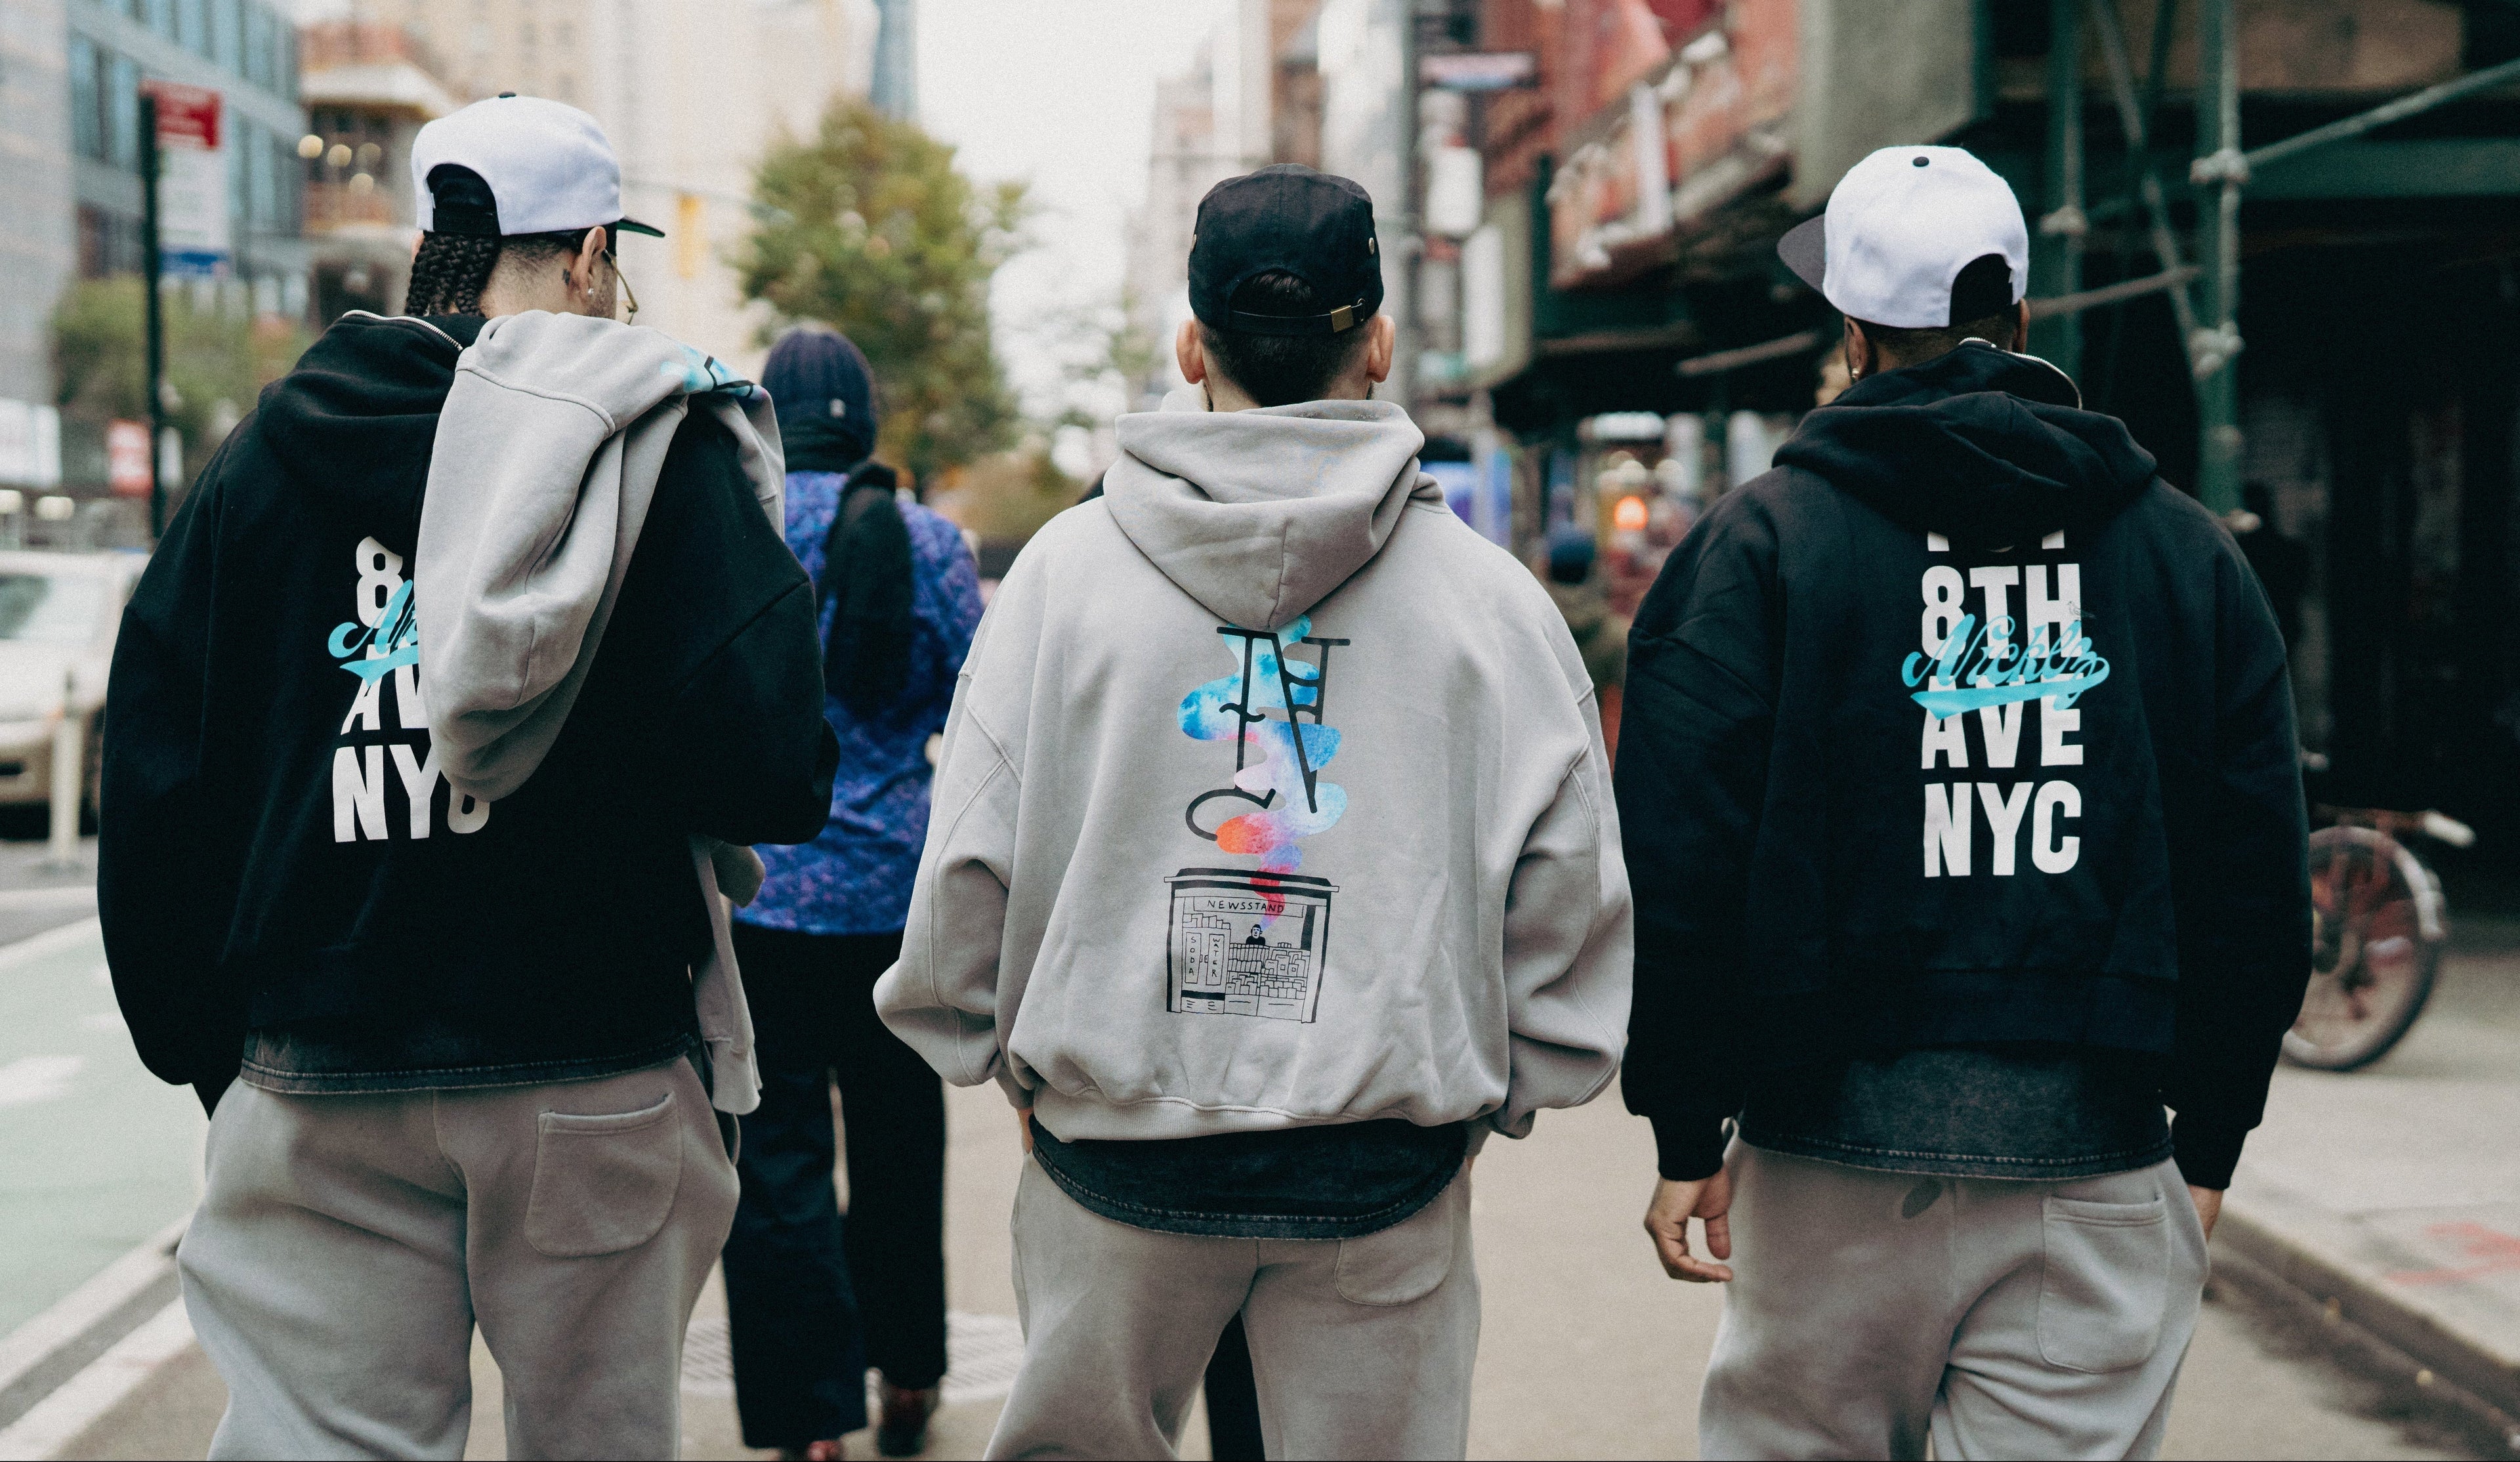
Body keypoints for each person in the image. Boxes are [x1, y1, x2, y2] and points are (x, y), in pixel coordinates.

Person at [98, 94, 837, 1460]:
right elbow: (776, 764)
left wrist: (217, 1053)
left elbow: (155, 776)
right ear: (588, 252)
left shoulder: (258, 462)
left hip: (317, 1062)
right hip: (593, 1051)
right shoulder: (654, 445)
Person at [873, 164, 1633, 1461]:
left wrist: (1000, 1045)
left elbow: (965, 874)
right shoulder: (1489, 604)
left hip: (1117, 1159)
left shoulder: (1060, 579)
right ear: (1378, 343)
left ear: (1190, 343)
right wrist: (1501, 1085)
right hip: (1378, 1173)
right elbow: (1570, 898)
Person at [1616, 144, 2310, 1461]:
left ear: (1855, 332)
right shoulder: (2181, 553)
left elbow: (1678, 855)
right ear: (2022, 319)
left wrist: (1686, 1121)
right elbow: (2253, 871)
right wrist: (2211, 1137)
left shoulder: (1759, 546)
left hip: (1827, 1161)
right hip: (2095, 1157)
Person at [720, 325, 981, 1462]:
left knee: (772, 1158)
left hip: (762, 898)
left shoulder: (739, 531)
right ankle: (910, 1375)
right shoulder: (931, 544)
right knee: (898, 1141)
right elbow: (982, 713)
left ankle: (806, 1419)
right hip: (894, 904)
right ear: (867, 426)